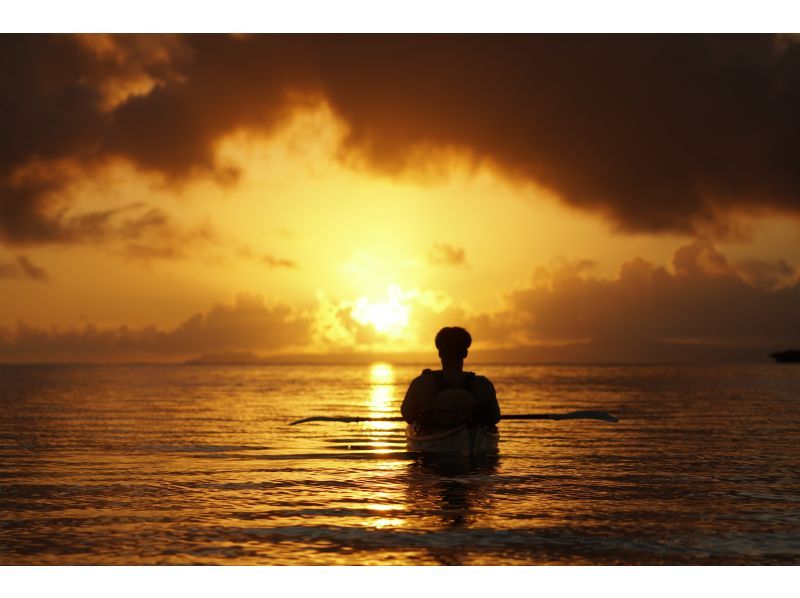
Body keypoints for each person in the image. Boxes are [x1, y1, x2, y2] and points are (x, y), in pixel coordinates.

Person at [401, 326, 500, 430]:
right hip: (474, 440)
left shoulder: (421, 382)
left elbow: (408, 416)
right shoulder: (483, 384)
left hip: (433, 441)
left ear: (439, 353)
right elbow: (495, 418)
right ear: (465, 353)